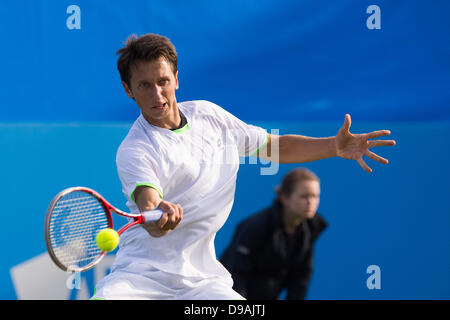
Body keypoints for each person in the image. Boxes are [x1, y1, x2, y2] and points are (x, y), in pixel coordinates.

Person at [91, 33, 395, 300]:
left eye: (163, 81)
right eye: (144, 85)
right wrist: (160, 217)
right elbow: (149, 205)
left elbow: (274, 147)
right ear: (128, 89)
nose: (157, 95)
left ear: (176, 79)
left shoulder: (210, 117)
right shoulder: (135, 149)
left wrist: (333, 146)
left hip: (202, 280)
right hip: (140, 278)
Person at [220, 168, 327, 300]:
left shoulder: (310, 230)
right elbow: (236, 274)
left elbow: (301, 279)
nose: (311, 202)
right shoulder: (254, 226)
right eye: (304, 196)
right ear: (284, 197)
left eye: (315, 196)